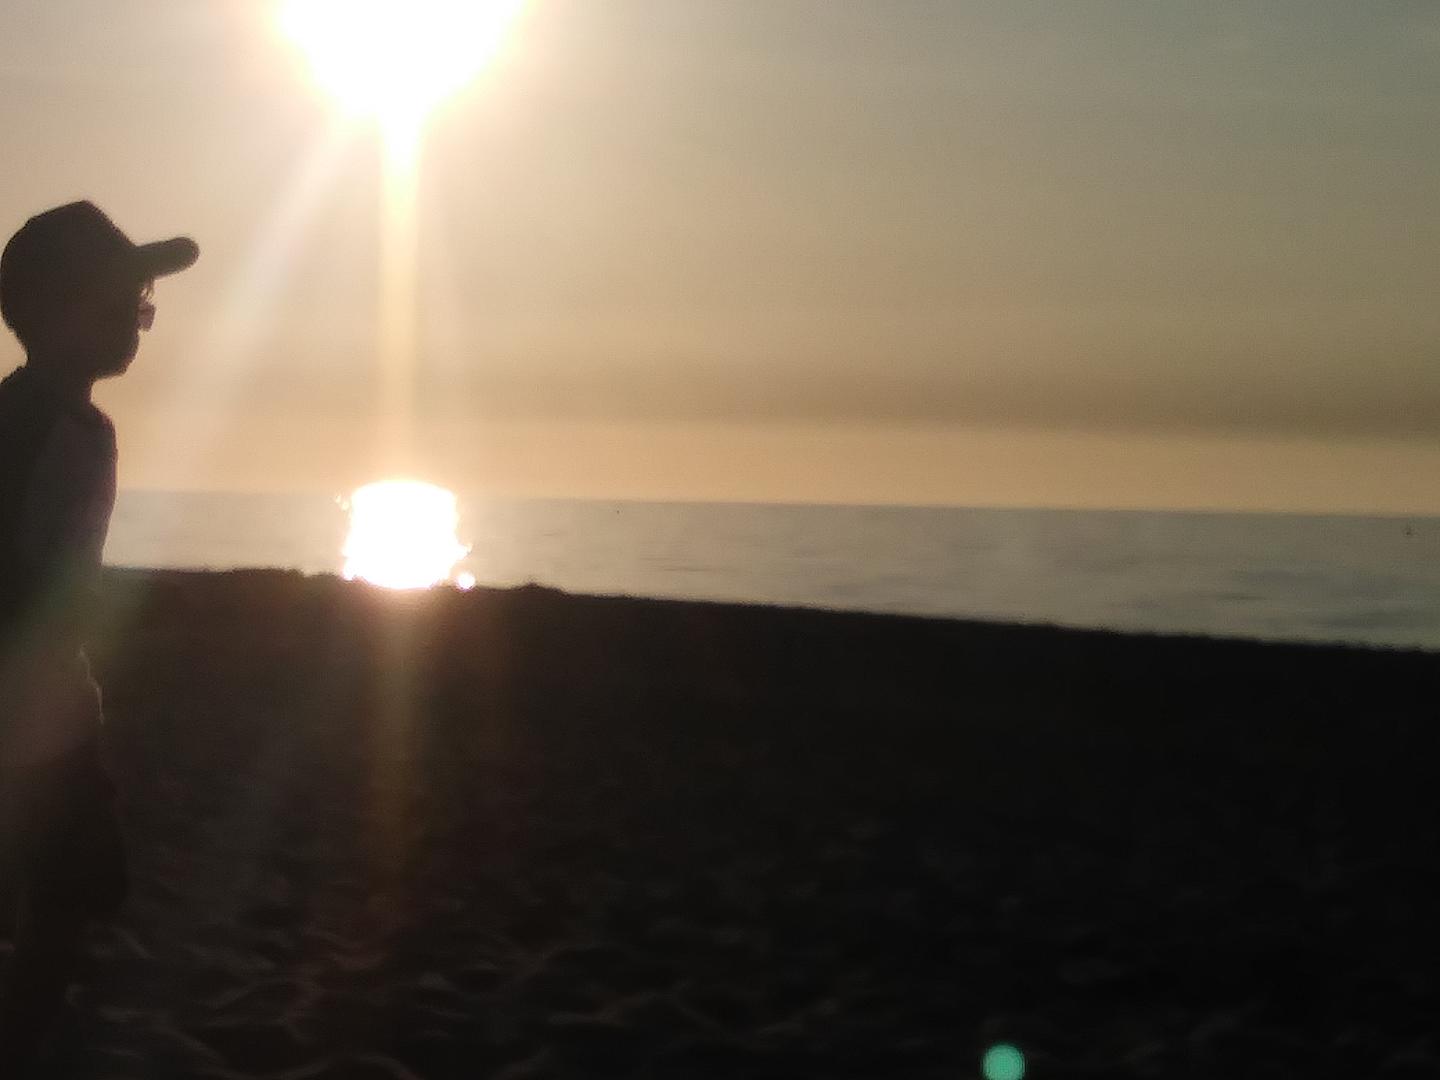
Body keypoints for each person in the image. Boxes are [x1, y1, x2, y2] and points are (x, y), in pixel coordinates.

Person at [0, 201, 198, 1073]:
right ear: (48, 313)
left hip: (56, 716)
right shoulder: (27, 425)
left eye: (140, 302)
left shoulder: (80, 426)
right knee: (60, 895)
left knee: (69, 894)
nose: (135, 320)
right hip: (22, 720)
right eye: (118, 302)